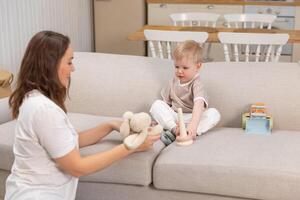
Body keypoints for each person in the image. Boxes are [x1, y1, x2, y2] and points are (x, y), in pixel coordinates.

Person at [5, 30, 160, 200]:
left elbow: (66, 143)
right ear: (51, 65)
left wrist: (109, 126)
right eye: (69, 62)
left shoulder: (35, 100)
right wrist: (131, 146)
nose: (74, 68)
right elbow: (77, 167)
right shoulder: (44, 110)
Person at [150, 40, 220, 145]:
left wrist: (193, 125)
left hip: (191, 117)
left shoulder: (197, 84)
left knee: (213, 114)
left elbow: (199, 104)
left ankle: (188, 132)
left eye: (185, 68)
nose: (179, 71)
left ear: (198, 66)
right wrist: (160, 119)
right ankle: (174, 130)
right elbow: (166, 104)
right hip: (175, 118)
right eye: (177, 67)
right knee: (156, 105)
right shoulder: (172, 82)